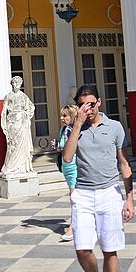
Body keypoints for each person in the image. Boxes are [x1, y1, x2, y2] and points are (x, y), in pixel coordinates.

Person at [61, 84, 135, 272]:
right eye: (83, 104)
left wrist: (130, 197)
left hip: (109, 191)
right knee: (82, 249)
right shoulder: (75, 129)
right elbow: (68, 157)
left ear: (99, 102)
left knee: (110, 249)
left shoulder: (114, 127)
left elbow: (123, 162)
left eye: (91, 104)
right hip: (83, 192)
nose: (88, 108)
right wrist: (77, 125)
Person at [57, 104, 79, 242]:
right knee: (74, 196)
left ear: (72, 117)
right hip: (66, 167)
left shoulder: (74, 130)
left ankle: (73, 227)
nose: (62, 118)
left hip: (75, 166)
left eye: (65, 115)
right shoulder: (64, 130)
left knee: (74, 198)